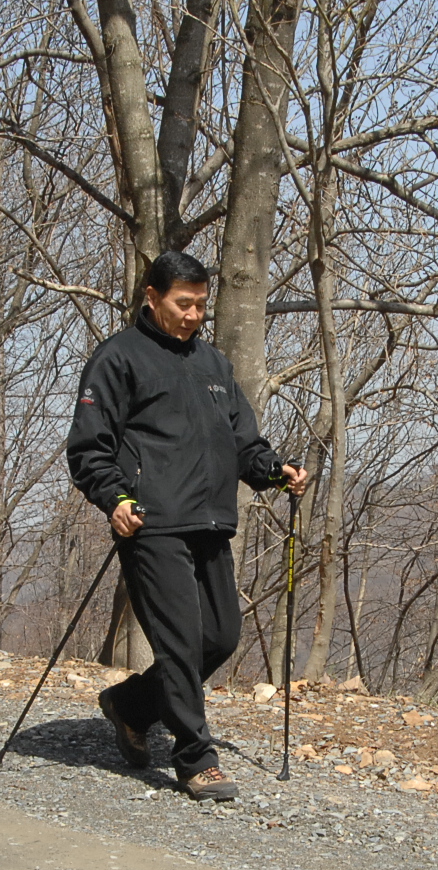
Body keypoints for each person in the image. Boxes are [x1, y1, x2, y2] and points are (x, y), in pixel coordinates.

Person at [66, 250, 308, 801]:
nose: (194, 314)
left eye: (201, 305)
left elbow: (244, 442)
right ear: (152, 296)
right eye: (184, 303)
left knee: (219, 638)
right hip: (150, 522)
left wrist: (276, 471)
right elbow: (88, 448)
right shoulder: (118, 359)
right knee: (178, 644)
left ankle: (130, 705)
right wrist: (115, 499)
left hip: (211, 521)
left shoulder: (213, 365)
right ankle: (195, 756)